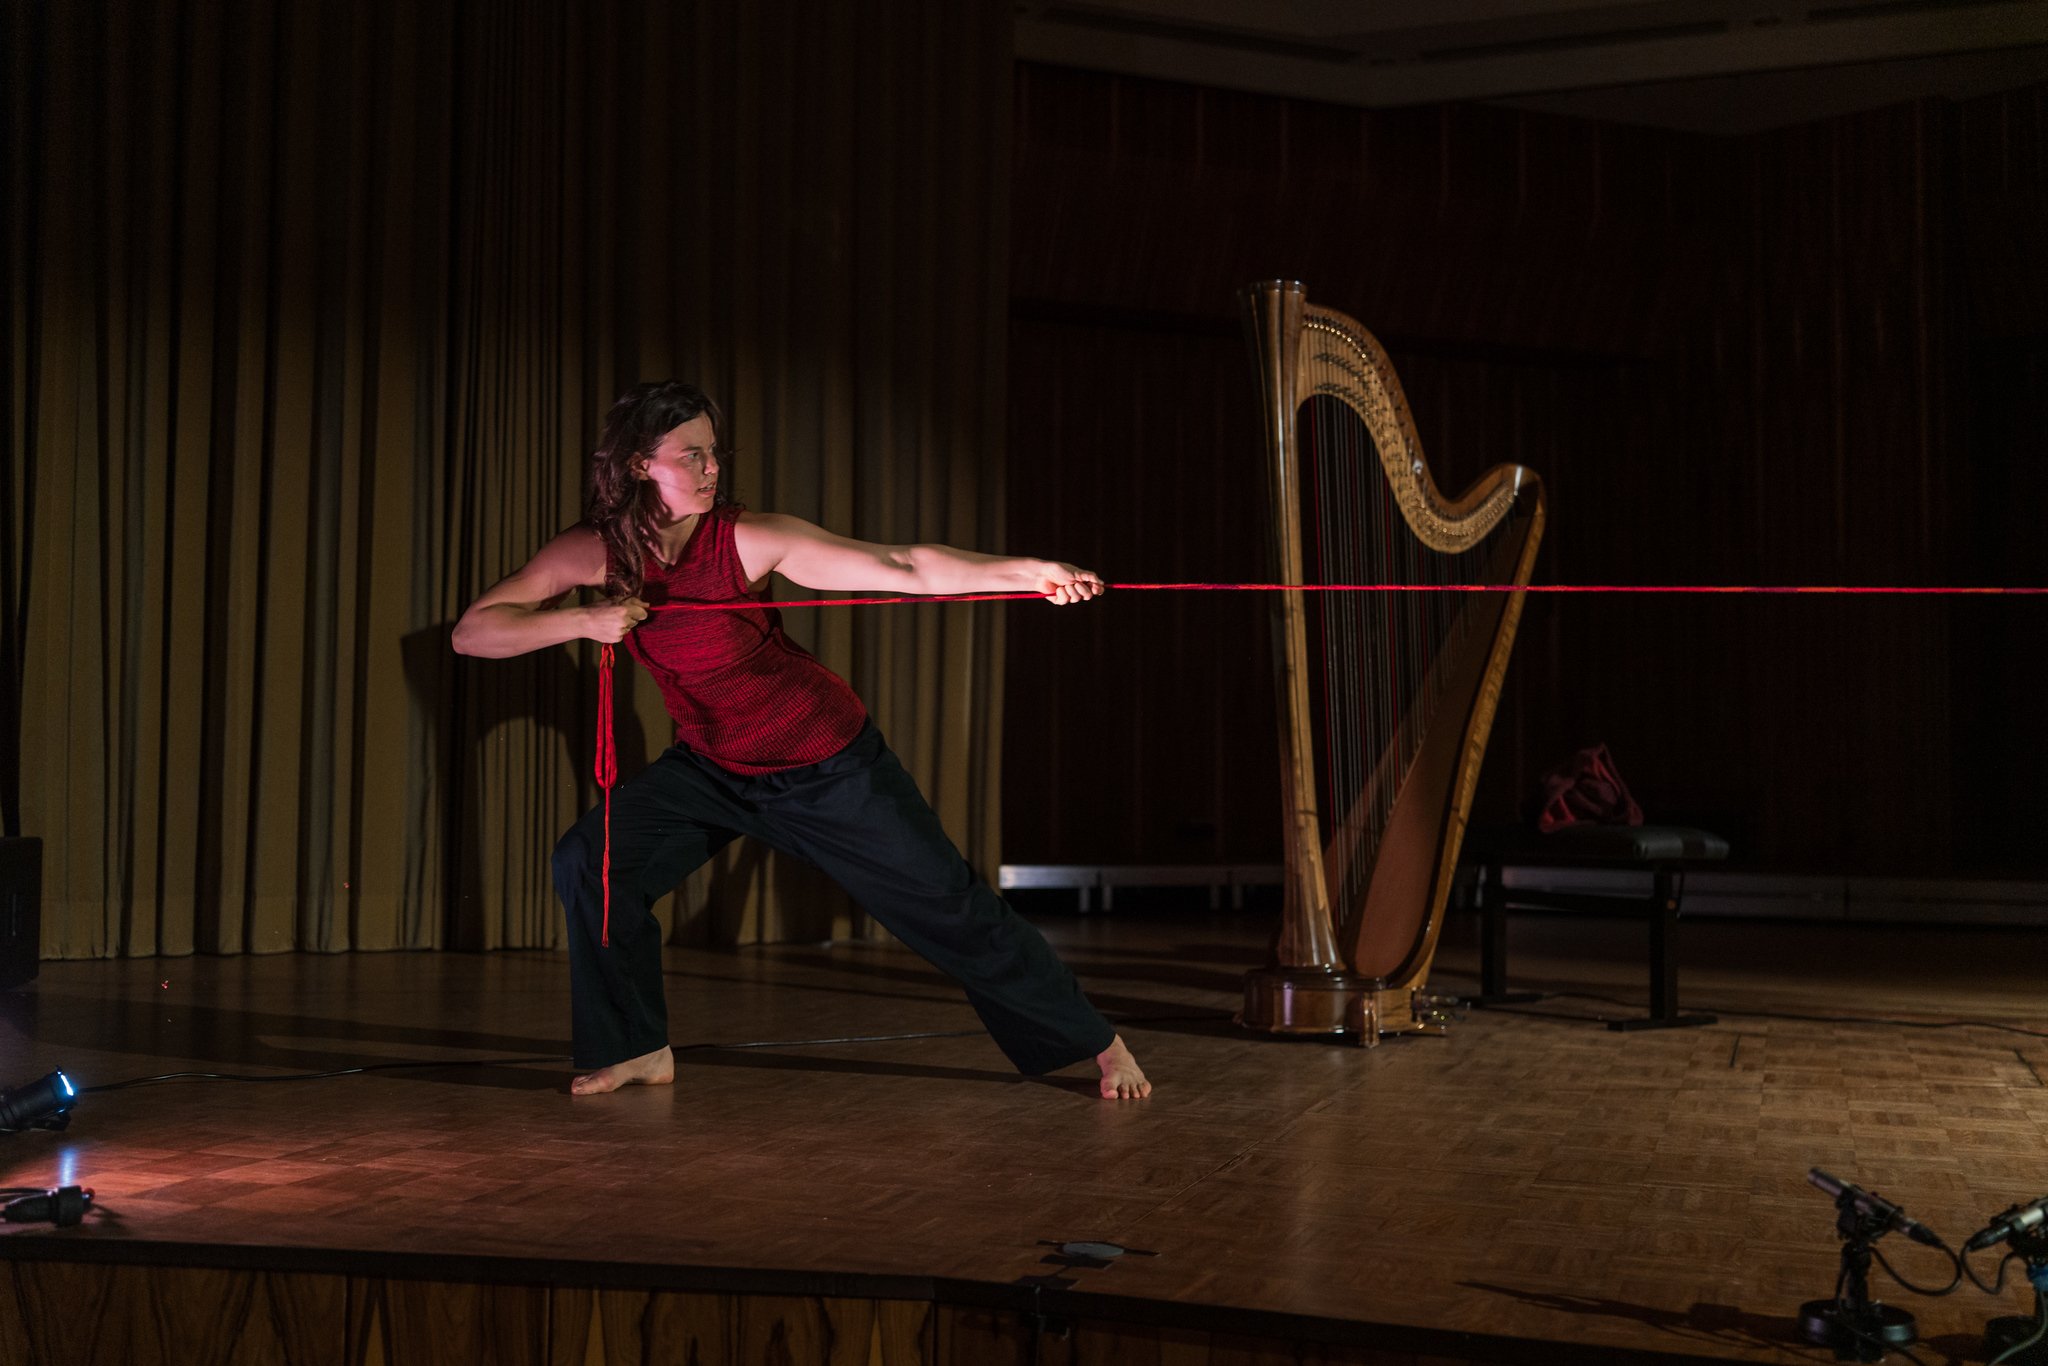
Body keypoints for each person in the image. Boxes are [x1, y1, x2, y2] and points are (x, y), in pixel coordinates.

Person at [452, 381, 1151, 1101]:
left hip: (826, 762)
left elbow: (904, 566)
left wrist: (1031, 574)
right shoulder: (595, 551)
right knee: (592, 864)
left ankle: (1098, 1043)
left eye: (714, 452)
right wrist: (578, 622)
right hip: (712, 766)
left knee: (950, 907)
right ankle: (636, 1048)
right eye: (691, 455)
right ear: (638, 464)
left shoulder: (747, 538)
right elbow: (473, 633)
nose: (712, 468)